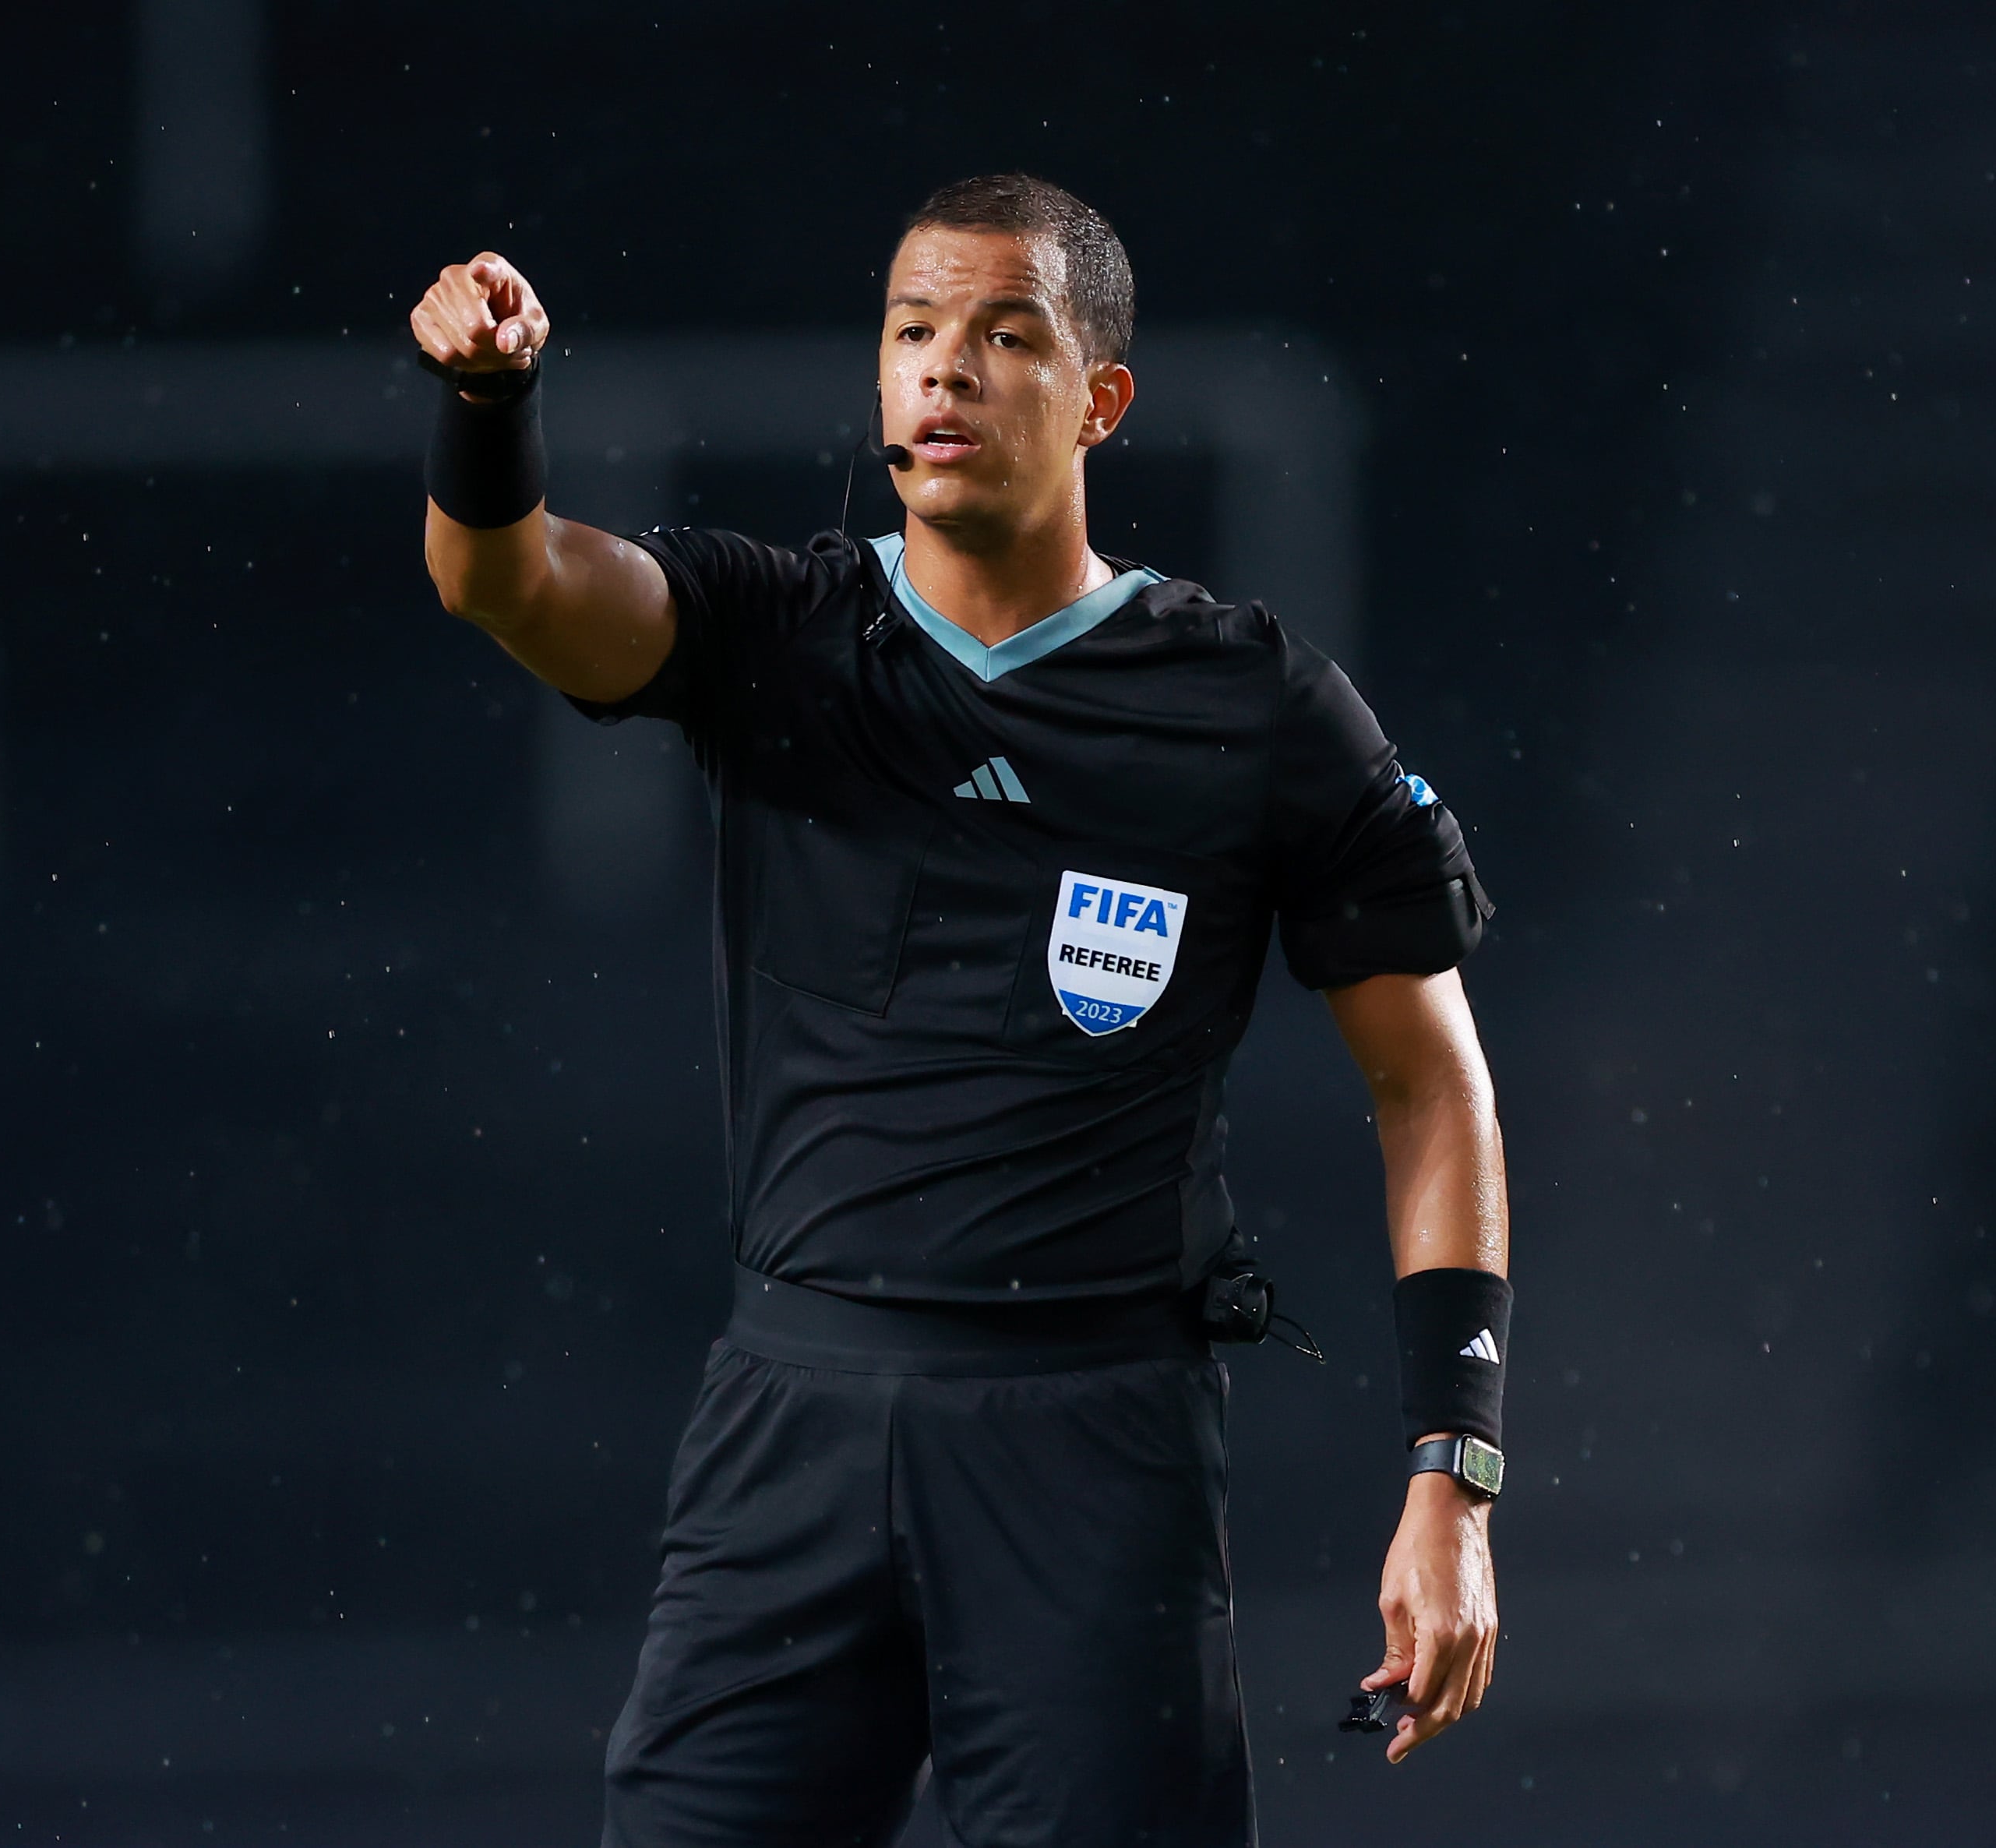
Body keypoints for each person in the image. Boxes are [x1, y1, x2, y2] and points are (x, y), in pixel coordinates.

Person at [411, 173, 1511, 1848]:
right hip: (793, 1418)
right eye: (914, 332)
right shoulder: (781, 631)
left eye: (1007, 336)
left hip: (1093, 1447)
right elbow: (512, 584)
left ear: (1101, 399)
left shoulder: (1251, 704)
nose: (947, 372)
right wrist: (490, 408)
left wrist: (1456, 1473)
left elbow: (1432, 1086)